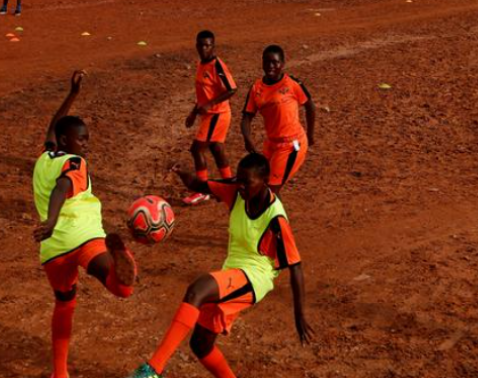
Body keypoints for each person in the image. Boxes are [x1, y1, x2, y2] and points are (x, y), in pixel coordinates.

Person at [127, 153, 314, 378]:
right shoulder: (236, 191)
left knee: (198, 289)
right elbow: (200, 185)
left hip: (256, 276)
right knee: (201, 344)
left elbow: (296, 267)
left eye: (247, 182)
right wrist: (182, 172)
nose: (241, 186)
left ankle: (152, 370)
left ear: (264, 182)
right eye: (239, 180)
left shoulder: (276, 218)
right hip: (233, 271)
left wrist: (299, 315)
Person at [33, 71, 137, 378]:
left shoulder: (45, 158)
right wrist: (52, 219)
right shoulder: (75, 163)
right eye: (82, 139)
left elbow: (54, 125)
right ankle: (121, 252)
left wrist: (72, 94)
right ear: (67, 141)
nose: (87, 145)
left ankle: (59, 373)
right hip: (85, 238)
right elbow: (62, 188)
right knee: (123, 289)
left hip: (52, 249)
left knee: (65, 303)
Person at [241, 45, 316, 194]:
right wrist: (247, 139)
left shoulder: (292, 84)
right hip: (271, 144)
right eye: (267, 62)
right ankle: (274, 217)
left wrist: (310, 134)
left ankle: (279, 218)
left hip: (292, 144)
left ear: (282, 64)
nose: (271, 66)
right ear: (262, 62)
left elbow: (310, 106)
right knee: (263, 186)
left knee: (270, 190)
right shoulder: (256, 88)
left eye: (275, 62)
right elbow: (246, 117)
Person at [183, 30, 238, 205]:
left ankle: (201, 190)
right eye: (200, 45)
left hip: (218, 115)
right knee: (215, 148)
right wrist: (193, 113)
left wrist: (209, 105)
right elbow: (203, 96)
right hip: (210, 114)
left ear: (213, 46)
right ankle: (230, 184)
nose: (203, 49)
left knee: (196, 149)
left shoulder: (217, 67)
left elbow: (231, 89)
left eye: (207, 45)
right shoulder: (201, 64)